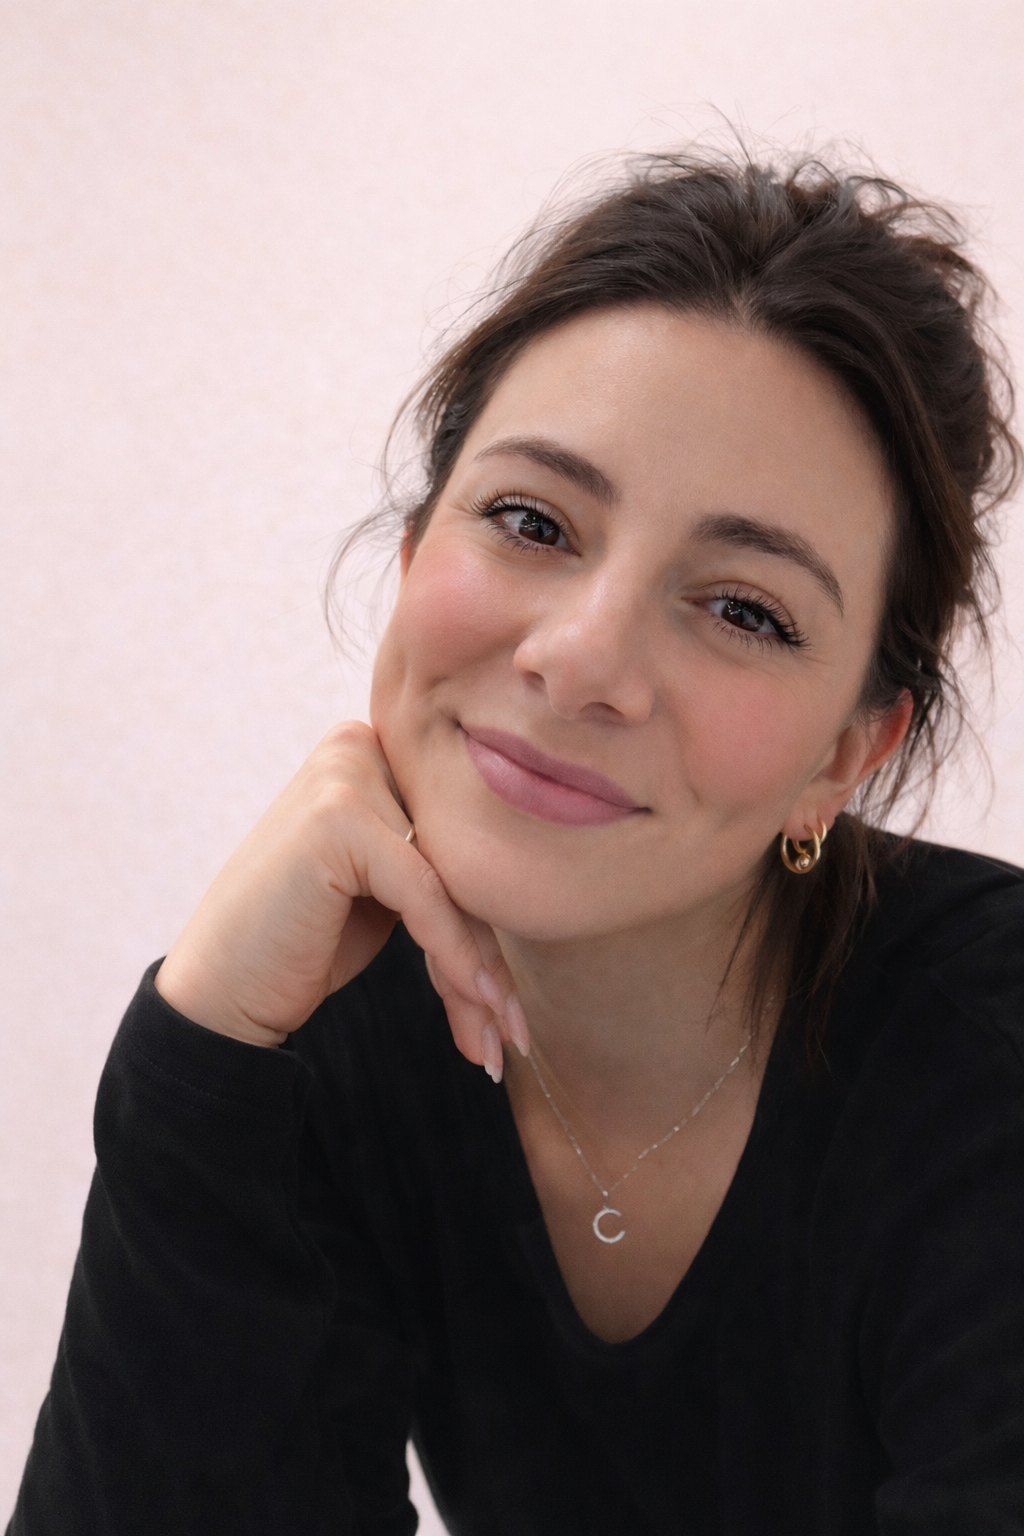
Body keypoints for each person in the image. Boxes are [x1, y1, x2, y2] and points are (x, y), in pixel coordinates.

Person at [9, 150, 1024, 1536]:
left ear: (848, 755)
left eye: (745, 609)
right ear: (415, 550)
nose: (581, 658)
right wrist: (201, 1051)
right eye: (531, 521)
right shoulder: (321, 1027)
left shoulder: (989, 1059)